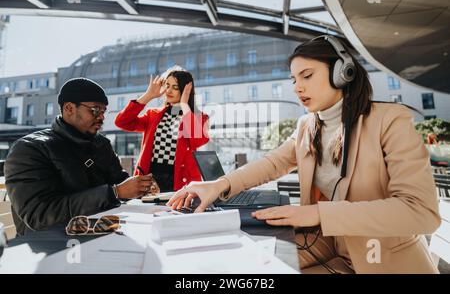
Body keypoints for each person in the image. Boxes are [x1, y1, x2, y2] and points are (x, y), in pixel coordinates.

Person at [167, 36, 441, 274]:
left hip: (383, 261)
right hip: (329, 247)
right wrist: (218, 186)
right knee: (243, 264)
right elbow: (272, 163)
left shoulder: (390, 120)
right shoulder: (306, 126)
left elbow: (421, 212)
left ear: (342, 73)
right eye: (294, 79)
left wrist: (318, 214)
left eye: (307, 76)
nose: (297, 87)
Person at [5, 78, 156, 236]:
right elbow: (40, 217)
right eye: (95, 110)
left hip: (103, 234)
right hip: (52, 247)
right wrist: (115, 193)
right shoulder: (30, 149)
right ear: (69, 108)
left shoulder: (101, 144)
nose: (102, 117)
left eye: (103, 112)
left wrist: (141, 187)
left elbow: (119, 181)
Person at [115, 67, 209, 192]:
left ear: (186, 90)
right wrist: (148, 95)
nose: (169, 91)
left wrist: (184, 105)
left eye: (175, 87)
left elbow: (197, 141)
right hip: (149, 181)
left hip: (181, 182)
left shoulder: (200, 118)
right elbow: (122, 122)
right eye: (167, 85)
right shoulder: (153, 115)